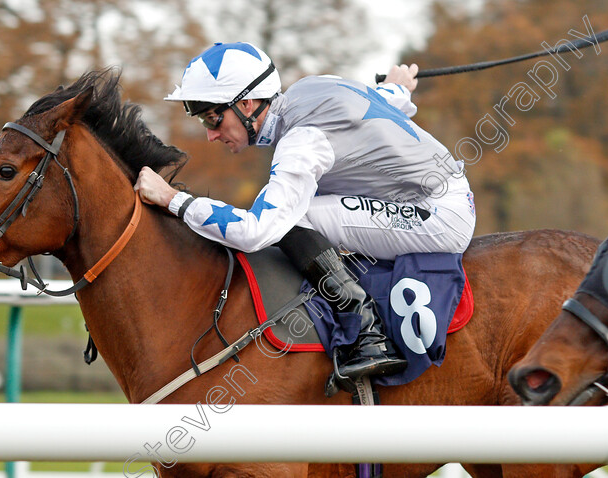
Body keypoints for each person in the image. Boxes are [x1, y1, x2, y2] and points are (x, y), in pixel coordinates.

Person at [135, 42, 475, 385]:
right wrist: (398, 85)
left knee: (293, 218)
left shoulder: (302, 140)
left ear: (247, 103)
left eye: (213, 117)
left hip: (439, 214)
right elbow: (379, 101)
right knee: (299, 208)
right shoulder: (313, 88)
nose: (210, 134)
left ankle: (366, 332)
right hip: (442, 196)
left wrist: (172, 199)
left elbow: (257, 231)